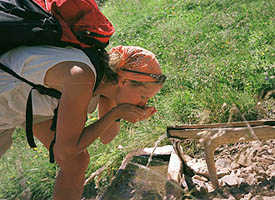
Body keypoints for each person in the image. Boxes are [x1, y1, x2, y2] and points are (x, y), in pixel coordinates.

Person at [0, 45, 166, 200]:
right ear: (124, 82)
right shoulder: (82, 77)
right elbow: (66, 150)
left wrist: (118, 111)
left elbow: (107, 136)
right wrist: (116, 113)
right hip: (7, 98)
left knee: (76, 163)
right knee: (72, 156)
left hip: (28, 102)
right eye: (143, 97)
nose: (144, 104)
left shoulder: (107, 83)